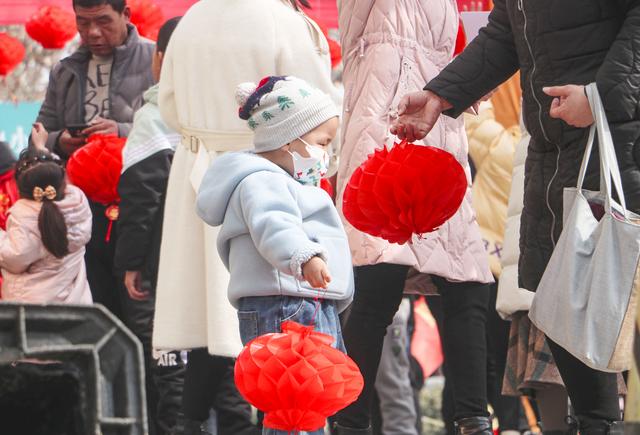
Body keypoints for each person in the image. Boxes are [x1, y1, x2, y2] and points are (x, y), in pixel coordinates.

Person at [391, 1, 640, 433]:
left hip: (618, 138)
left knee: (616, 300)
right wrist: (440, 94)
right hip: (554, 148)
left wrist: (601, 96)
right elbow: (503, 34)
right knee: (556, 300)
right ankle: (596, 423)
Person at [152, 1, 341, 433]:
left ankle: (190, 425)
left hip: (197, 171)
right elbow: (314, 113)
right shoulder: (285, 22)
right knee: (276, 318)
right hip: (272, 168)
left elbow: (168, 105)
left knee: (208, 319)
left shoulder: (193, 18)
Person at [333, 2, 494, 434]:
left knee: (467, 286)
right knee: (378, 285)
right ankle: (350, 424)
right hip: (382, 125)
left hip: (439, 126)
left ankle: (473, 420)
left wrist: (465, 85)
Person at [196, 75, 354, 435]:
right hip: (289, 301)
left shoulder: (282, 180)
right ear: (287, 139)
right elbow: (274, 225)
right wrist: (304, 255)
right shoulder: (263, 180)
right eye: (321, 142)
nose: (325, 153)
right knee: (294, 398)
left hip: (296, 298)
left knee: (303, 399)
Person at [35, 0, 155, 316]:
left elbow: (177, 125)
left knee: (143, 308)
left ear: (126, 15)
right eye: (83, 22)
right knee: (96, 308)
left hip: (140, 203)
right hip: (83, 207)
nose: (93, 32)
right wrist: (59, 140)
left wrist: (122, 130)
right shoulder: (65, 70)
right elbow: (40, 133)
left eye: (103, 21)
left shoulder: (155, 60)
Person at [114, 17, 184, 435]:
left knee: (169, 365)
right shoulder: (231, 113)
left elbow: (142, 197)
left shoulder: (154, 117)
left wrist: (131, 263)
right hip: (219, 263)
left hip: (164, 261)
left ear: (160, 59)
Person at [0, 144, 92, 304]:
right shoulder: (77, 205)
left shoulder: (24, 215)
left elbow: (15, 259)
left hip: (32, 309)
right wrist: (42, 147)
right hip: (76, 304)